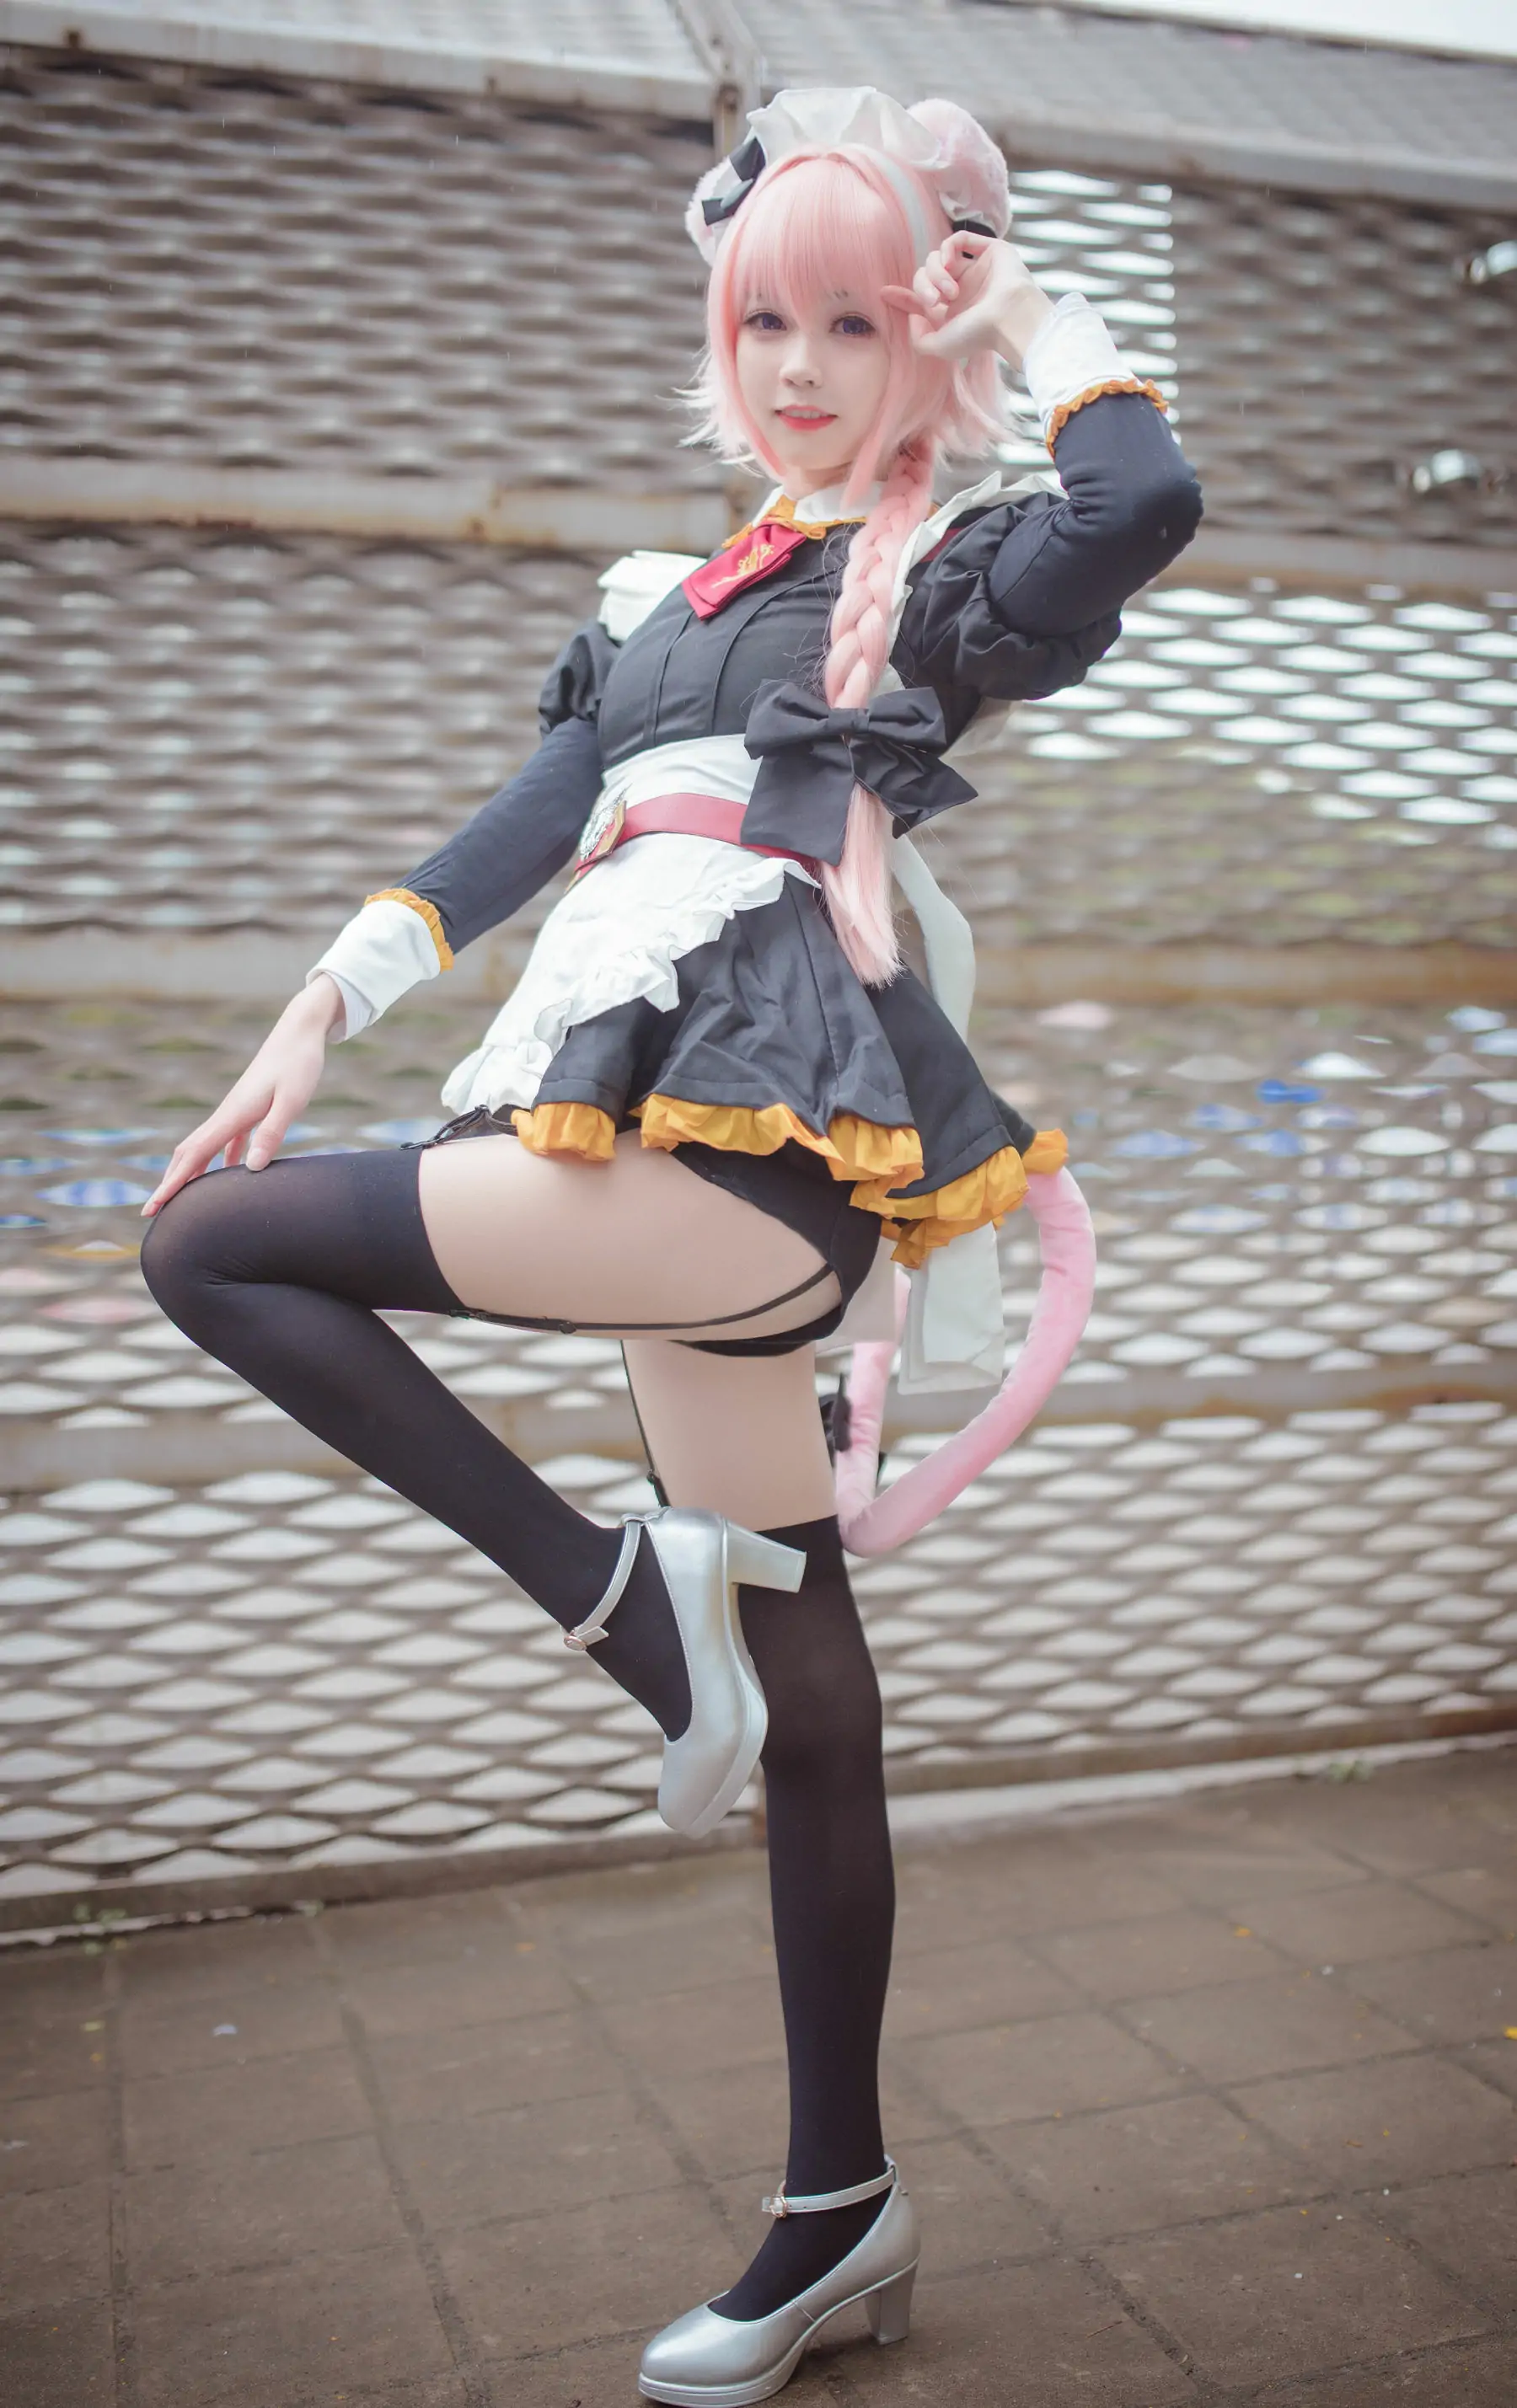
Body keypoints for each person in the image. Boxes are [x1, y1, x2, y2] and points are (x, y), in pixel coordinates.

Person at [140, 86, 1201, 2405]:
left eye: (854, 321)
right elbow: (523, 823)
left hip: (760, 1177)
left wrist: (1021, 310)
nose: (802, 366)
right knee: (809, 1700)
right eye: (764, 322)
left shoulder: (951, 569)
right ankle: (840, 2210)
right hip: (648, 1125)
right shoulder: (663, 600)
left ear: (924, 337)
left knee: (214, 1255)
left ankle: (626, 1603)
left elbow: (1143, 500)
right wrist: (315, 1016)